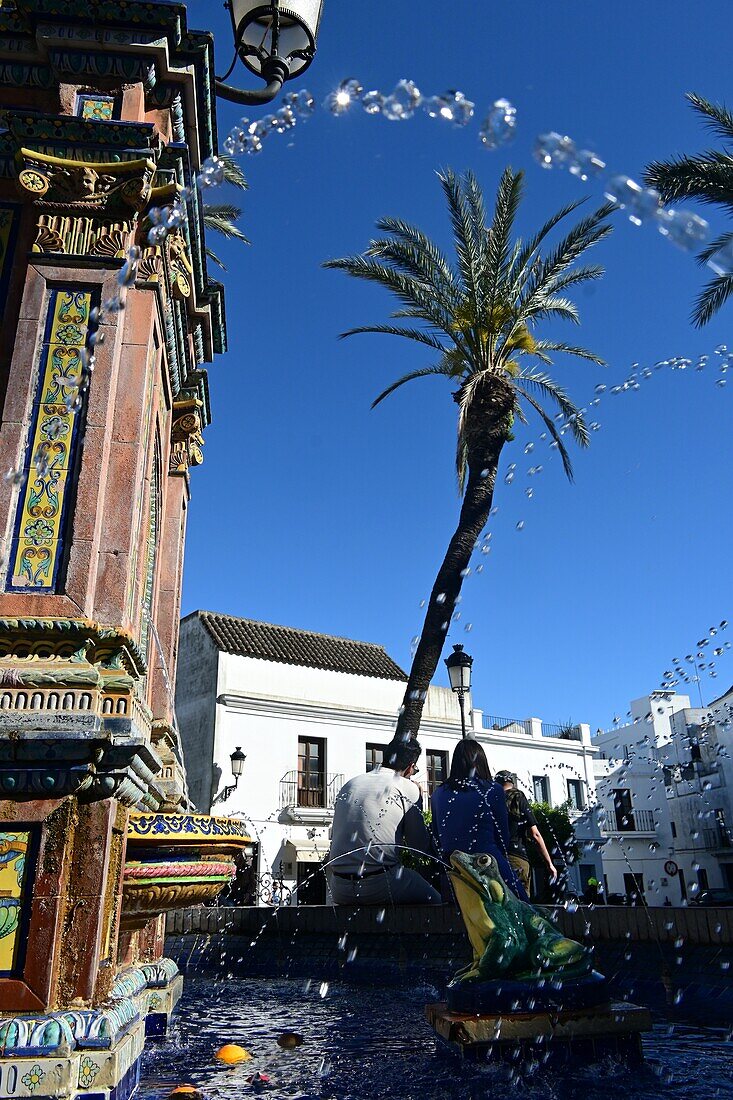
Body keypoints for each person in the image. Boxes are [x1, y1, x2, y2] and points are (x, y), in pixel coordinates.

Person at [327, 736, 441, 905]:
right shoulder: (406, 787)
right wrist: (419, 800)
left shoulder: (350, 784)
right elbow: (419, 848)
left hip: (338, 888)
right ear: (410, 768)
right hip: (381, 883)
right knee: (438, 903)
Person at [431, 740, 529, 902]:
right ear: (481, 762)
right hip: (488, 863)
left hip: (454, 871)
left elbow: (437, 838)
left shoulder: (438, 794)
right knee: (525, 910)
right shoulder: (493, 790)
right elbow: (503, 837)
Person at [495, 771, 557, 899]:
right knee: (521, 904)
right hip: (517, 858)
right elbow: (535, 835)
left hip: (496, 858)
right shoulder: (518, 797)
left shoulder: (491, 800)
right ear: (512, 782)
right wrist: (549, 864)